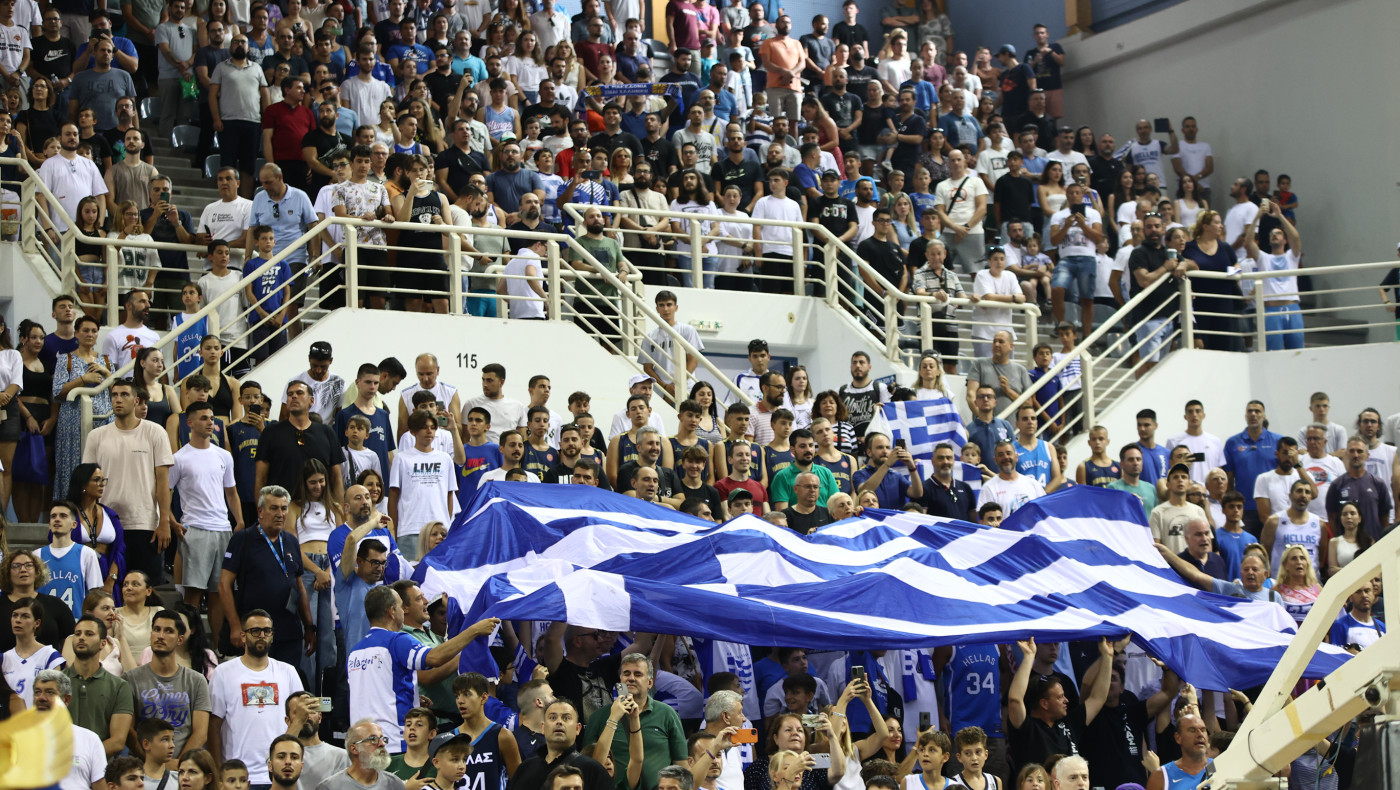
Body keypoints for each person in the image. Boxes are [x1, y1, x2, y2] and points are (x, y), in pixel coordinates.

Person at [346, 584, 499, 754]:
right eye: (399, 607)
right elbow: (434, 658)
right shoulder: (397, 641)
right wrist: (474, 630)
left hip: (362, 745)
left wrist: (414, 697)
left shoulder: (355, 652)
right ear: (391, 611)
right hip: (393, 744)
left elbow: (373, 691)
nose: (402, 612)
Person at [81, 379, 174, 585]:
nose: (118, 400)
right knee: (107, 588)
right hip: (106, 523)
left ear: (137, 401)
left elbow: (163, 481)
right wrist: (90, 523)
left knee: (146, 589)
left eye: (124, 395)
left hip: (145, 522)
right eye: (114, 395)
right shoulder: (97, 436)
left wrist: (164, 521)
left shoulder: (155, 432)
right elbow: (88, 484)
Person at [218, 486, 315, 666]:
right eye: (274, 508)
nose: (280, 513)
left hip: (289, 632)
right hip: (256, 633)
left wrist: (309, 626)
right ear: (260, 511)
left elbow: (299, 586)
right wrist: (235, 626)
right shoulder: (243, 539)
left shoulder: (291, 541)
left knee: (287, 687)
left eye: (284, 508)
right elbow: (224, 584)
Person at [172, 401, 241, 638]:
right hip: (195, 528)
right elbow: (163, 492)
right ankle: (189, 643)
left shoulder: (224, 455)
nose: (210, 422)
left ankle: (217, 647)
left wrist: (239, 522)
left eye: (212, 418)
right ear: (189, 423)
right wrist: (172, 521)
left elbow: (231, 492)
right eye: (203, 418)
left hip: (223, 528)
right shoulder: (179, 458)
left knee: (219, 591)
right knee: (193, 592)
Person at [584, 653, 688, 790]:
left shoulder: (667, 714)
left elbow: (681, 766)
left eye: (638, 674)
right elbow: (588, 764)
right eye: (626, 673)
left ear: (650, 682)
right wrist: (613, 718)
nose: (631, 678)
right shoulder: (599, 717)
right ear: (620, 679)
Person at [125, 608, 212, 765]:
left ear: (180, 640)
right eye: (156, 629)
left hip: (183, 769)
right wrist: (150, 762)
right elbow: (128, 730)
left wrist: (179, 764)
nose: (160, 635)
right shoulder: (130, 679)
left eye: (168, 631)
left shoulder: (197, 681)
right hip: (142, 767)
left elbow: (200, 733)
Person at [256, 380, 346, 501]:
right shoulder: (271, 432)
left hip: (319, 508)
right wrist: (261, 513)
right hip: (282, 509)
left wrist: (339, 512)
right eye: (290, 394)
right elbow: (260, 478)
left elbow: (337, 478)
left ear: (311, 401)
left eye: (299, 393)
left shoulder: (327, 432)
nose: (294, 396)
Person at [63, 612, 134, 756]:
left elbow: (118, 741)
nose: (81, 637)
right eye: (78, 634)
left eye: (89, 634)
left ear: (103, 643)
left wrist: (81, 758)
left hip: (102, 771)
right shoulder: (55, 683)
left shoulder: (119, 687)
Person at [210, 35, 271, 197]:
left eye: (243, 42)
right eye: (235, 42)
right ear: (230, 47)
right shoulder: (221, 67)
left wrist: (267, 120)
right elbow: (212, 95)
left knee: (248, 167)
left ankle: (245, 203)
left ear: (248, 47)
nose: (239, 45)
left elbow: (265, 96)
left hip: (253, 122)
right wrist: (216, 118)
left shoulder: (257, 68)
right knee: (227, 166)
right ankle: (228, 200)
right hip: (228, 122)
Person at [1241, 197, 1304, 350]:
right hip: (1271, 310)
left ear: (1285, 240)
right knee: (1273, 352)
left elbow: (1295, 237)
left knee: (1297, 352)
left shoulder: (1292, 256)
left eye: (1278, 233)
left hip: (1292, 309)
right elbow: (1248, 243)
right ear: (1268, 241)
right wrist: (1258, 216)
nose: (1274, 235)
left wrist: (1280, 215)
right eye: (1272, 234)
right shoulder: (1264, 258)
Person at [977, 441, 1044, 517]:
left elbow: (1045, 510)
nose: (1006, 457)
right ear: (995, 460)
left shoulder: (1033, 484)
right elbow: (982, 519)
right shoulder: (989, 488)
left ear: (1016, 457)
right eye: (1001, 455)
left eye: (1009, 453)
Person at [1145, 713, 1209, 790]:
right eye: (1192, 730)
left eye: (1203, 730)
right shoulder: (1160, 776)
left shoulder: (1220, 766)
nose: (1200, 734)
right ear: (1178, 738)